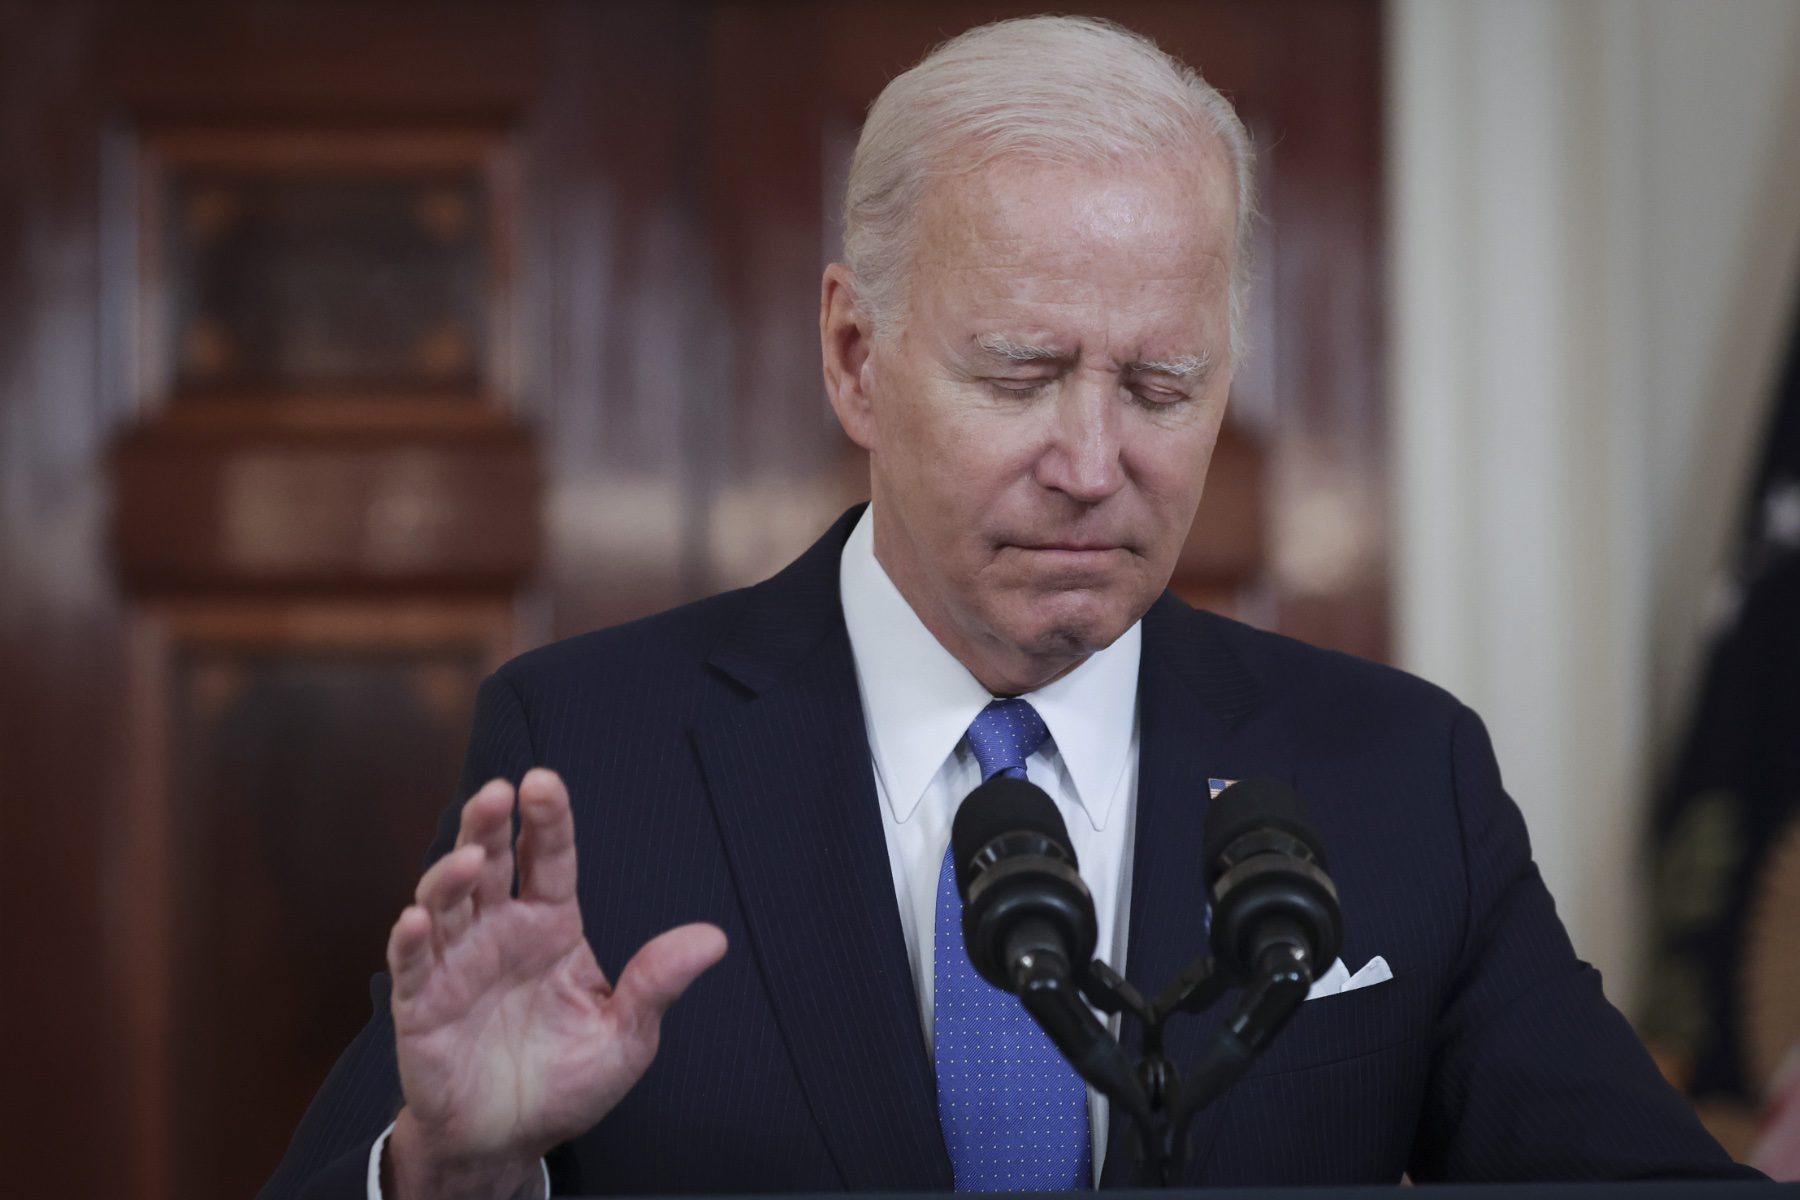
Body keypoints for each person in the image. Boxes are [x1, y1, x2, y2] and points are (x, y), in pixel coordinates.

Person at [262, 15, 1758, 1199]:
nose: (1096, 466)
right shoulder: (594, 747)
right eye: (1021, 376)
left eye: (1163, 387)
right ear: (856, 354)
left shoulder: (1395, 773)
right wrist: (457, 1175)